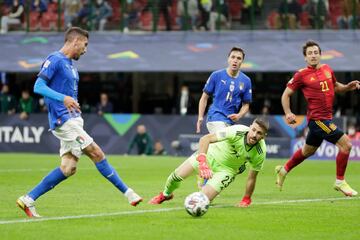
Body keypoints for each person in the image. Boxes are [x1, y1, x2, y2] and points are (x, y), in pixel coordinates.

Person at [16, 27, 142, 218]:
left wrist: (73, 104)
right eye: (85, 44)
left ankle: (28, 199)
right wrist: (64, 99)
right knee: (96, 153)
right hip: (63, 120)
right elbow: (38, 86)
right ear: (75, 41)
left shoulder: (71, 67)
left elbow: (67, 94)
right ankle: (129, 193)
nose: (85, 49)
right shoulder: (55, 59)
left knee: (68, 168)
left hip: (73, 119)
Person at [276, 40, 360, 197]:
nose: (313, 55)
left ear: (320, 55)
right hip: (318, 120)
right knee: (346, 145)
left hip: (324, 119)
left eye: (316, 52)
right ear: (305, 58)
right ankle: (340, 181)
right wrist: (288, 112)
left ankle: (284, 169)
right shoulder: (301, 74)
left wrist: (348, 87)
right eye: (310, 53)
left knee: (308, 151)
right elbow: (285, 95)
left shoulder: (328, 69)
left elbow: (335, 87)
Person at [149, 118, 268, 207]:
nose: (254, 135)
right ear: (250, 126)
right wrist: (203, 163)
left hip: (227, 171)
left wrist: (246, 199)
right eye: (253, 130)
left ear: (264, 136)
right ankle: (165, 195)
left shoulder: (260, 152)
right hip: (210, 156)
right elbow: (205, 139)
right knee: (174, 178)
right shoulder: (237, 131)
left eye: (259, 133)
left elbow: (252, 177)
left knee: (201, 200)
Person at [197, 46, 252, 134]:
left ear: (242, 61)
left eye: (239, 58)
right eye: (233, 57)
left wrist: (239, 115)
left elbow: (246, 105)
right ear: (228, 59)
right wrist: (200, 117)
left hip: (230, 121)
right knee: (224, 140)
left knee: (225, 146)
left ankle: (204, 147)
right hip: (215, 118)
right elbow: (204, 97)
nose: (235, 60)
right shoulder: (216, 75)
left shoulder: (246, 80)